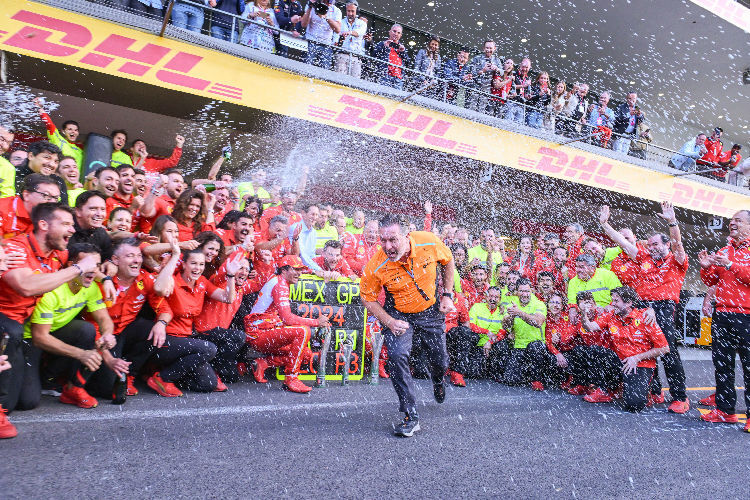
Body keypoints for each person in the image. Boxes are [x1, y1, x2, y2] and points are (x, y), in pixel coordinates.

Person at [360, 215, 455, 437]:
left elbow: (448, 261)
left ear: (405, 235)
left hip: (430, 310)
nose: (388, 246)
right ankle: (410, 415)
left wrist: (448, 294)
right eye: (382, 241)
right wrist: (389, 321)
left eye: (393, 239)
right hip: (399, 313)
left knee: (440, 360)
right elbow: (367, 297)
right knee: (396, 355)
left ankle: (438, 379)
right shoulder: (376, 264)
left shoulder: (427, 241)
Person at [0, 203, 99, 414]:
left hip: (22, 329)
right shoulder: (17, 249)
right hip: (6, 323)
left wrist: (106, 276)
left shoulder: (59, 254)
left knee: (27, 402)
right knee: (6, 403)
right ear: (44, 225)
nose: (72, 230)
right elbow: (26, 287)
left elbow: (87, 263)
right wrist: (78, 268)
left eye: (72, 225)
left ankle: (49, 378)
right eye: (65, 224)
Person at [600, 203, 689, 412]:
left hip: (664, 307)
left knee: (668, 352)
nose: (652, 247)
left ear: (666, 245)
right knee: (644, 349)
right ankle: (655, 391)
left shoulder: (677, 260)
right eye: (649, 245)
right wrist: (605, 225)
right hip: (640, 306)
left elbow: (678, 243)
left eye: (656, 244)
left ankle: (680, 397)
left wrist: (671, 222)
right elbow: (622, 241)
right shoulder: (643, 257)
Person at [25, 243, 115, 409]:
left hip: (55, 332)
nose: (93, 271)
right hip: (31, 338)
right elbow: (39, 338)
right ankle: (43, 376)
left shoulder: (92, 287)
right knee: (27, 402)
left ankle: (70, 387)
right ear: (71, 266)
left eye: (96, 266)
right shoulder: (53, 289)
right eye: (87, 265)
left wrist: (108, 335)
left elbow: (104, 320)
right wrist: (81, 354)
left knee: (86, 330)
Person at [85, 237, 173, 400]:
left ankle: (130, 375)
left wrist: (161, 323)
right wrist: (108, 358)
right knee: (107, 390)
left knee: (151, 329)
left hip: (124, 332)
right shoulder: (102, 281)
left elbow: (165, 308)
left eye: (139, 256)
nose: (137, 260)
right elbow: (92, 325)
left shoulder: (144, 279)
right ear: (115, 260)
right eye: (130, 256)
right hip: (100, 336)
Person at [152, 248, 242, 395]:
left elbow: (228, 298)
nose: (198, 268)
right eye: (193, 263)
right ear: (184, 264)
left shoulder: (202, 282)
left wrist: (231, 275)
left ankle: (173, 374)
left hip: (187, 341)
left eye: (201, 264)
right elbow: (159, 288)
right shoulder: (172, 280)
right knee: (209, 348)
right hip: (166, 340)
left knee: (208, 384)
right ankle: (162, 378)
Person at [245, 255, 330, 393]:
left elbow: (285, 319)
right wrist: (316, 322)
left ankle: (263, 363)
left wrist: (318, 272)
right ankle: (291, 379)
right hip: (259, 333)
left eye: (301, 269)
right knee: (303, 331)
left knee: (306, 354)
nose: (299, 273)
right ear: (284, 270)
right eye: (296, 269)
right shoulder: (280, 284)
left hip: (267, 329)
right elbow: (288, 319)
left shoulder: (281, 280)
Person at [697, 210, 750, 431]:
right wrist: (705, 266)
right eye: (731, 221)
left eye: (738, 220)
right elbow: (711, 280)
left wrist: (730, 265)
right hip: (723, 314)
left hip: (747, 316)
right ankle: (725, 410)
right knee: (722, 364)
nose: (732, 223)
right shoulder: (725, 249)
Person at [579, 286, 670, 412]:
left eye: (616, 301)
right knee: (595, 351)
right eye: (612, 300)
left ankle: (645, 388)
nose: (612, 304)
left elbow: (665, 348)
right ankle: (610, 389)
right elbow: (590, 327)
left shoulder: (645, 317)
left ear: (628, 303)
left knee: (634, 405)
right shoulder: (611, 315)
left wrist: (636, 358)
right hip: (620, 360)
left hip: (640, 363)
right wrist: (584, 314)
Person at [495, 278, 547, 389]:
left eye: (527, 291)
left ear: (531, 291)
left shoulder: (539, 304)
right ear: (517, 292)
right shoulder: (512, 304)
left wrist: (520, 313)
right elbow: (505, 325)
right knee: (510, 379)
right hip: (519, 346)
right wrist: (511, 316)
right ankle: (525, 374)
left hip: (536, 344)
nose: (525, 294)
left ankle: (536, 380)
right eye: (522, 291)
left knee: (535, 347)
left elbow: (537, 322)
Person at [0, 174, 61, 239]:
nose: (52, 202)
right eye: (46, 195)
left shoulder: (51, 218)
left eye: (56, 198)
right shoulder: (3, 209)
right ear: (26, 195)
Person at [33, 98, 84, 171]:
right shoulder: (58, 139)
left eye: (76, 130)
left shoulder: (80, 151)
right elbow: (49, 124)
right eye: (70, 129)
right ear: (63, 131)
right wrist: (40, 108)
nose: (73, 132)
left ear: (78, 133)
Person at [70, 191, 114, 260]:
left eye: (102, 209)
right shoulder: (66, 231)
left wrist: (110, 263)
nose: (99, 214)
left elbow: (109, 258)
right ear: (78, 211)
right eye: (93, 209)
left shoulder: (101, 233)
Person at [301, 0, 342, 69]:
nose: (328, 4)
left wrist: (326, 16)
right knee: (306, 67)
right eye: (326, 2)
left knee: (324, 70)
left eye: (330, 2)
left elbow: (338, 30)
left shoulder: (336, 10)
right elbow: (303, 24)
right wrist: (310, 8)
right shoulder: (313, 5)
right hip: (310, 41)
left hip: (326, 44)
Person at [372, 24, 410, 90]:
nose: (396, 34)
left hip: (398, 78)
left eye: (398, 33)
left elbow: (408, 63)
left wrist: (403, 52)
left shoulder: (401, 47)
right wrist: (385, 47)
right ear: (389, 32)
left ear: (400, 35)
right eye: (394, 31)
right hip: (384, 75)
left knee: (396, 99)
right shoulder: (382, 43)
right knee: (382, 96)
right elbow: (374, 55)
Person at [335, 1, 366, 78]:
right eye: (348, 11)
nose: (350, 13)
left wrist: (350, 32)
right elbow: (335, 41)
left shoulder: (362, 23)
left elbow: (359, 33)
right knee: (339, 80)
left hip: (356, 57)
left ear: (357, 11)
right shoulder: (340, 23)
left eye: (352, 11)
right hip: (342, 55)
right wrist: (340, 40)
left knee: (355, 83)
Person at [505, 57, 532, 124]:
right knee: (508, 124)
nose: (524, 69)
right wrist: (523, 85)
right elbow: (509, 86)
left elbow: (526, 93)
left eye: (527, 67)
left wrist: (528, 95)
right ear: (520, 65)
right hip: (511, 102)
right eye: (523, 67)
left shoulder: (527, 79)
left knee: (518, 126)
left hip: (521, 105)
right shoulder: (513, 73)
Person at [0, 125, 16, 198]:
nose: (4, 146)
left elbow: (7, 198)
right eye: (1, 139)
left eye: (8, 143)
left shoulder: (7, 168)